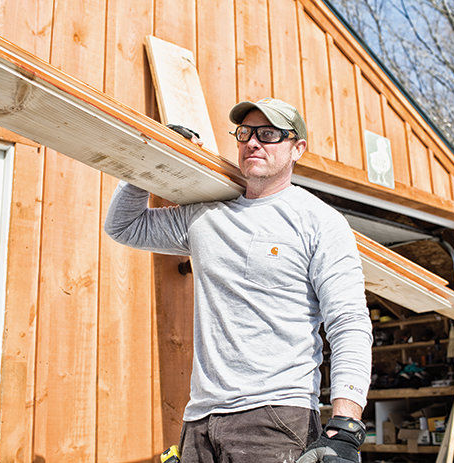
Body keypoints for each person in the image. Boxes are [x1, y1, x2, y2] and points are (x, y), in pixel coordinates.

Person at [105, 98, 372, 463]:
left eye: (269, 134)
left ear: (298, 148)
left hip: (276, 416)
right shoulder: (205, 216)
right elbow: (124, 226)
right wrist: (152, 157)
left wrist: (345, 426)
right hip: (200, 419)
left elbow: (349, 322)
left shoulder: (319, 222)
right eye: (245, 132)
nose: (253, 142)